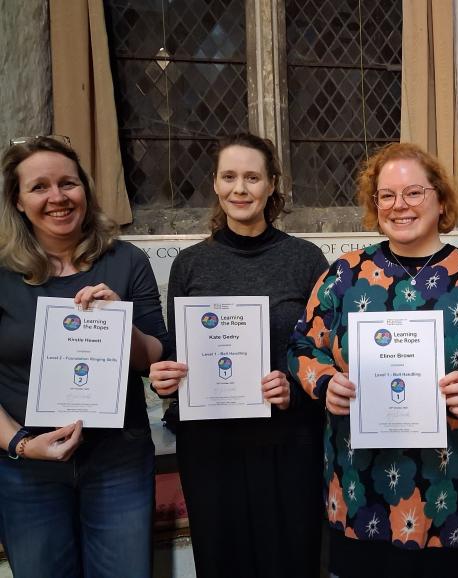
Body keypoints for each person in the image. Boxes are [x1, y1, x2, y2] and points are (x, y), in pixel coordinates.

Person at [288, 142, 458, 578]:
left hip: (448, 488)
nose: (399, 205)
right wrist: (326, 382)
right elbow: (303, 348)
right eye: (387, 195)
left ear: (440, 199)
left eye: (413, 193)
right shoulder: (344, 275)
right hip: (358, 488)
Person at [148, 133, 328, 578]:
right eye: (229, 177)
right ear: (215, 184)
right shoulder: (190, 264)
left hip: (288, 443)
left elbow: (324, 354)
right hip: (212, 448)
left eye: (252, 177)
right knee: (222, 562)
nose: (240, 189)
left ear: (271, 185)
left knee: (291, 561)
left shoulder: (306, 260)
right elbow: (177, 352)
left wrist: (293, 389)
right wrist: (165, 378)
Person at [0, 136, 169, 578]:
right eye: (39, 187)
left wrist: (121, 324)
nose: (57, 197)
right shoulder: (1, 274)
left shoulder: (126, 260)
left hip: (118, 461)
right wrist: (20, 444)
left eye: (68, 183)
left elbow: (154, 356)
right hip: (27, 467)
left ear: (85, 191)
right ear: (17, 200)